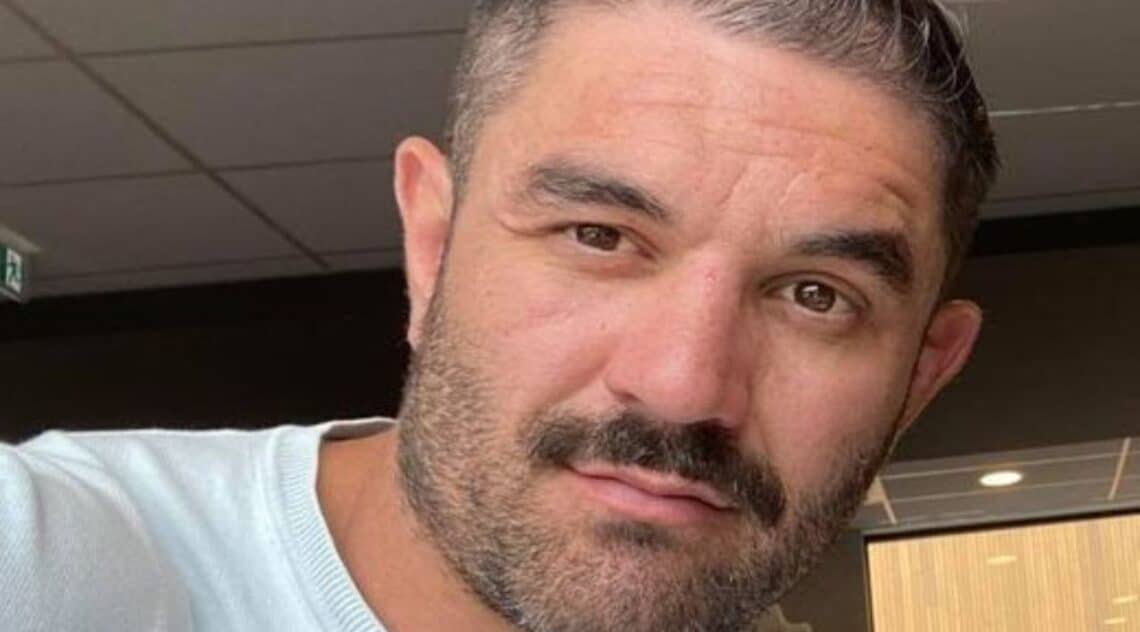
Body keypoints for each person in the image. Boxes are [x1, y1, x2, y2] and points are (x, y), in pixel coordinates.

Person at [0, 0, 999, 630]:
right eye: (598, 235)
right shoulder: (50, 561)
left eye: (818, 294)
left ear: (922, 377)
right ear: (431, 245)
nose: (684, 386)